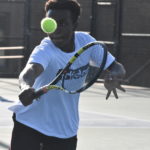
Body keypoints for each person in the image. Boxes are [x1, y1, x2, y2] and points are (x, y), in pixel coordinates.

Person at [9, 0, 126, 150]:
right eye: (52, 24)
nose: (56, 30)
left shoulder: (86, 43)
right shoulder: (45, 50)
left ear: (75, 25)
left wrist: (114, 76)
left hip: (65, 130)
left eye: (63, 23)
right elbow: (30, 71)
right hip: (29, 125)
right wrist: (25, 87)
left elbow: (116, 67)